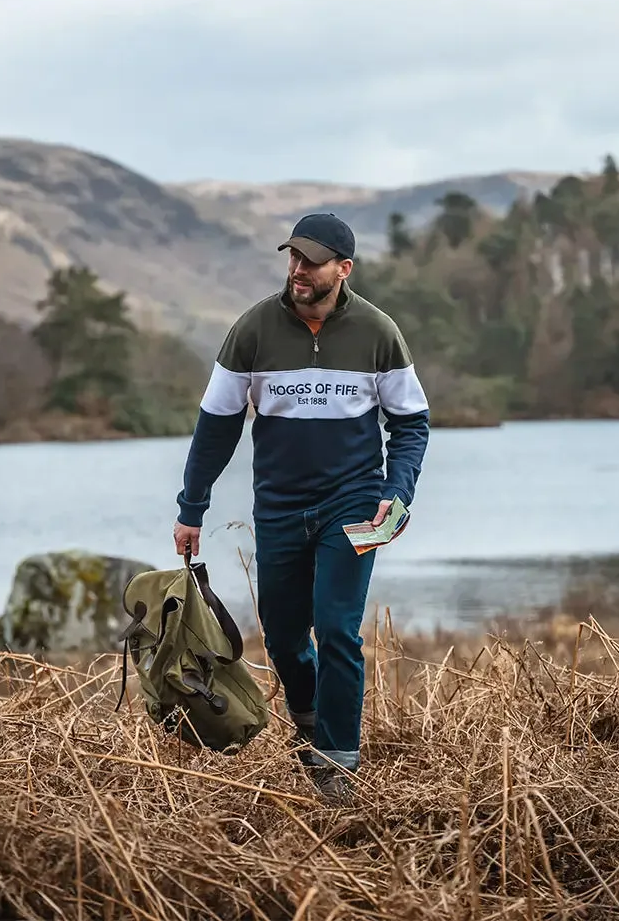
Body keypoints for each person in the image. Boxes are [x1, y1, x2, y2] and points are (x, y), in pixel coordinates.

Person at [172, 212, 430, 800]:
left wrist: (398, 491)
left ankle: (337, 769)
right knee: (286, 637)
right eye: (293, 257)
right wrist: (193, 507)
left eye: (311, 261)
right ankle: (310, 717)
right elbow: (216, 427)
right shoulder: (253, 330)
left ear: (343, 269)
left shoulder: (377, 332)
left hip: (355, 504)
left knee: (338, 629)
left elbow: (411, 422)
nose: (298, 269)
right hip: (280, 508)